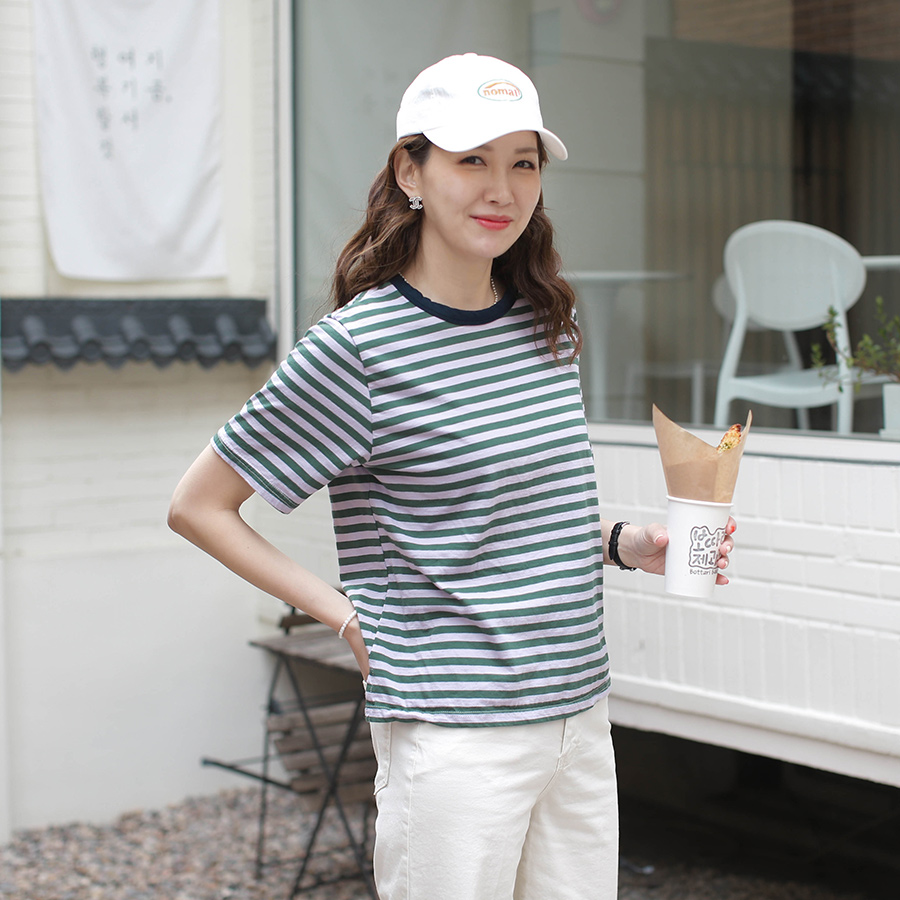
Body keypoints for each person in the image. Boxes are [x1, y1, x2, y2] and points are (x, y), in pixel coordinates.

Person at [168, 52, 736, 900]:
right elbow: (199, 506)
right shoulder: (360, 349)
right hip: (455, 734)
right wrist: (345, 618)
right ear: (411, 171)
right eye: (473, 159)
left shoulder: (547, 323)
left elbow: (513, 515)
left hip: (579, 713)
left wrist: (626, 543)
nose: (502, 189)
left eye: (523, 163)